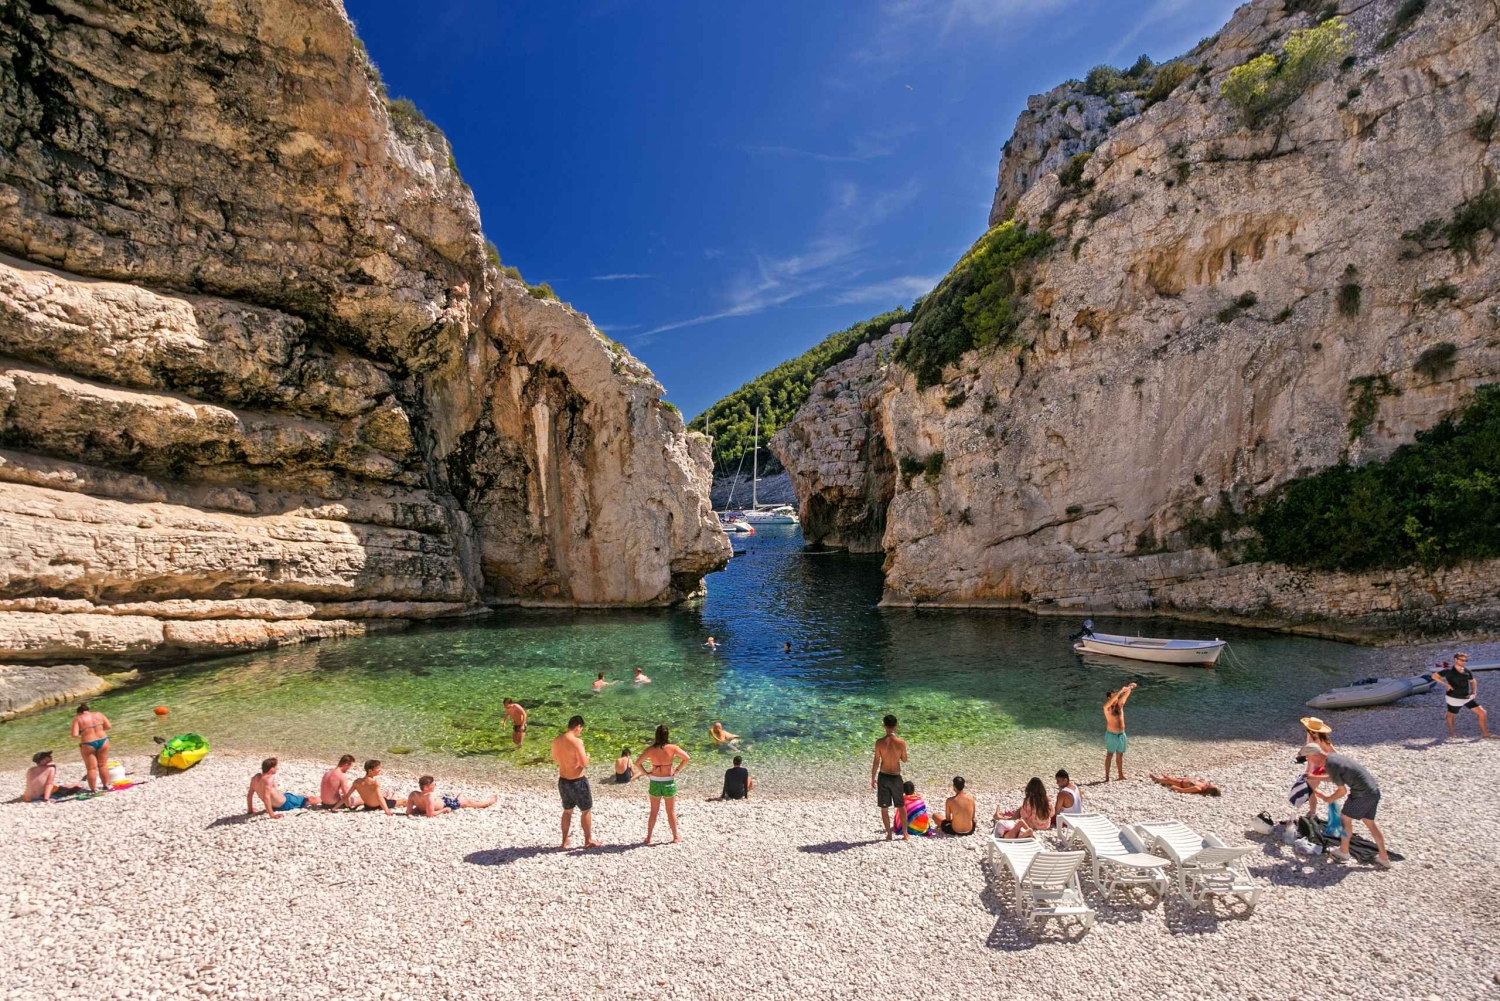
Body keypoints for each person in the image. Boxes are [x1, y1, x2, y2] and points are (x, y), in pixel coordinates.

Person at [1301, 745, 1391, 868]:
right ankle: (1383, 858)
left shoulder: (1330, 764)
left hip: (1361, 795)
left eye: (1308, 757)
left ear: (1314, 755)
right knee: (1370, 823)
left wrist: (1329, 798)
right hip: (1373, 792)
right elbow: (1334, 777)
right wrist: (1313, 777)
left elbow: (1342, 791)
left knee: (1345, 819)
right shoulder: (1333, 757)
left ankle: (1344, 851)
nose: (1308, 760)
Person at [635, 724, 691, 844]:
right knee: (670, 811)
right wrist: (677, 770)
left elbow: (637, 763)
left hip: (655, 781)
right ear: (667, 735)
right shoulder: (673, 748)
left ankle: (649, 838)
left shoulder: (650, 749)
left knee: (653, 811)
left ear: (656, 735)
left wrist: (646, 774)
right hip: (668, 782)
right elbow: (687, 758)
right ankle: (675, 837)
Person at [550, 716, 599, 848]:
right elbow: (584, 763)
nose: (580, 731)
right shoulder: (577, 742)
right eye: (581, 729)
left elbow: (555, 758)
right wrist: (587, 757)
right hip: (578, 782)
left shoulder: (556, 740)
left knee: (567, 811)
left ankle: (564, 841)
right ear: (578, 727)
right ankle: (588, 840)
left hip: (563, 781)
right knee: (586, 810)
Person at [1433, 653, 1491, 738]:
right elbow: (1434, 676)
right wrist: (1446, 684)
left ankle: (1485, 734)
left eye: (1466, 660)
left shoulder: (1467, 671)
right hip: (1453, 697)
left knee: (1482, 713)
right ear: (1455, 659)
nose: (1464, 662)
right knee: (1450, 714)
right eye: (1462, 660)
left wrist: (1474, 692)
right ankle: (1452, 733)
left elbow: (1473, 681)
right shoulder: (1449, 671)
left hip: (1466, 697)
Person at [871, 714, 908, 842]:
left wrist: (872, 777)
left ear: (884, 726)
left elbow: (876, 761)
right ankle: (905, 834)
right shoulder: (901, 742)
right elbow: (904, 760)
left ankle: (889, 834)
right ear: (896, 726)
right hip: (896, 777)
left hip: (883, 776)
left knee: (884, 807)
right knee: (901, 806)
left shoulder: (879, 742)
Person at [247, 758, 320, 818]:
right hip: (286, 803)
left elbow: (250, 795)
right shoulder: (268, 779)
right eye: (276, 767)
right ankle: (324, 800)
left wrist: (250, 810)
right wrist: (272, 815)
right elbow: (266, 798)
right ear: (271, 768)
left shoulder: (255, 778)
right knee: (308, 799)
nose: (277, 768)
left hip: (275, 804)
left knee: (295, 796)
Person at [70, 702, 111, 793]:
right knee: (103, 764)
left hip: (88, 743)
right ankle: (106, 786)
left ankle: (93, 789)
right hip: (103, 740)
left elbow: (74, 735)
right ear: (88, 710)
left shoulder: (78, 719)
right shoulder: (99, 714)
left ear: (79, 713)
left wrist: (83, 731)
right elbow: (108, 726)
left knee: (91, 768)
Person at [1298, 717, 1335, 817]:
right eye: (1308, 729)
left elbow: (1335, 755)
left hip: (1318, 769)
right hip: (1310, 766)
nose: (1309, 732)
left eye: (1311, 730)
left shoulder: (1324, 741)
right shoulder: (1310, 734)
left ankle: (1312, 812)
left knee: (1310, 790)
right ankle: (1327, 799)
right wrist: (1301, 753)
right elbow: (1307, 744)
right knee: (1310, 788)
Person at [405, 776, 497, 816]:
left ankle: (459, 798)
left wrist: (418, 809)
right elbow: (430, 814)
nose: (434, 786)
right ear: (426, 787)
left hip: (441, 801)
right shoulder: (430, 796)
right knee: (467, 802)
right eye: (433, 784)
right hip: (446, 804)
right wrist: (444, 810)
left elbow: (408, 812)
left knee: (457, 800)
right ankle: (488, 803)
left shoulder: (413, 794)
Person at [1103, 683, 1136, 782]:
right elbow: (1114, 698)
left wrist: (1130, 687)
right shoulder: (1107, 708)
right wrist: (1120, 691)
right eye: (1114, 697)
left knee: (1120, 755)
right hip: (1112, 735)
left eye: (1116, 697)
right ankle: (1107, 777)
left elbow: (1126, 694)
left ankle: (1120, 775)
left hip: (1121, 734)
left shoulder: (1119, 705)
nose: (1116, 699)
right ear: (1109, 698)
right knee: (1110, 755)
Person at [1149, 773, 1222, 796]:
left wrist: (1174, 787)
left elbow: (1183, 790)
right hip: (1182, 780)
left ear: (1209, 789)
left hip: (1180, 783)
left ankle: (1156, 779)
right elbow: (1199, 781)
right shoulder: (1204, 784)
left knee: (1169, 780)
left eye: (1212, 785)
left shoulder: (1197, 788)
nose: (1211, 784)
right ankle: (1161, 778)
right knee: (1169, 779)